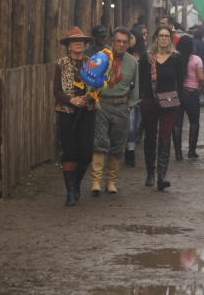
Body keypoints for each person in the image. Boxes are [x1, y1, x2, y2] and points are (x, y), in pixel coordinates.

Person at [90, 27, 139, 195]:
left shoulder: (132, 62)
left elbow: (135, 86)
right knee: (100, 142)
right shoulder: (100, 57)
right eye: (118, 41)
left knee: (117, 144)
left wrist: (130, 105)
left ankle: (110, 181)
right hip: (102, 104)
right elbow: (90, 79)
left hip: (121, 106)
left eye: (125, 42)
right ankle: (96, 181)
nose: (121, 44)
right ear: (112, 41)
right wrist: (94, 99)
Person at [54, 27, 98, 206]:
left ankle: (77, 182)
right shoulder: (61, 64)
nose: (79, 43)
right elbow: (56, 90)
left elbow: (98, 85)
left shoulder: (92, 62)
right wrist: (71, 99)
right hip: (67, 112)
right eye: (74, 41)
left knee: (86, 153)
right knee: (69, 151)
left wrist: (88, 96)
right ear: (69, 45)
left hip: (87, 111)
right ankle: (71, 190)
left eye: (81, 41)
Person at [139, 25, 184, 191]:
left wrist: (179, 99)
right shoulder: (147, 57)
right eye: (161, 35)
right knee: (150, 135)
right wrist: (141, 97)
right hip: (150, 100)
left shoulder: (176, 57)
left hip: (169, 101)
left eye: (167, 36)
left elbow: (180, 79)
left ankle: (161, 175)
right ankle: (150, 172)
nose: (164, 38)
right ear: (156, 38)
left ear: (170, 39)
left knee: (165, 135)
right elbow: (140, 78)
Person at [174, 35, 204, 161]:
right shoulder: (196, 59)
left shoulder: (175, 58)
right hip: (192, 93)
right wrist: (202, 88)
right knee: (194, 122)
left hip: (178, 93)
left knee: (177, 123)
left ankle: (178, 153)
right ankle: (191, 151)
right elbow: (201, 78)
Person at [125, 28, 147, 167]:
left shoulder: (145, 57)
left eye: (130, 38)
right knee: (131, 124)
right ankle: (129, 152)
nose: (128, 41)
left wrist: (143, 94)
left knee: (138, 123)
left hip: (142, 95)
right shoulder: (124, 56)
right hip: (128, 95)